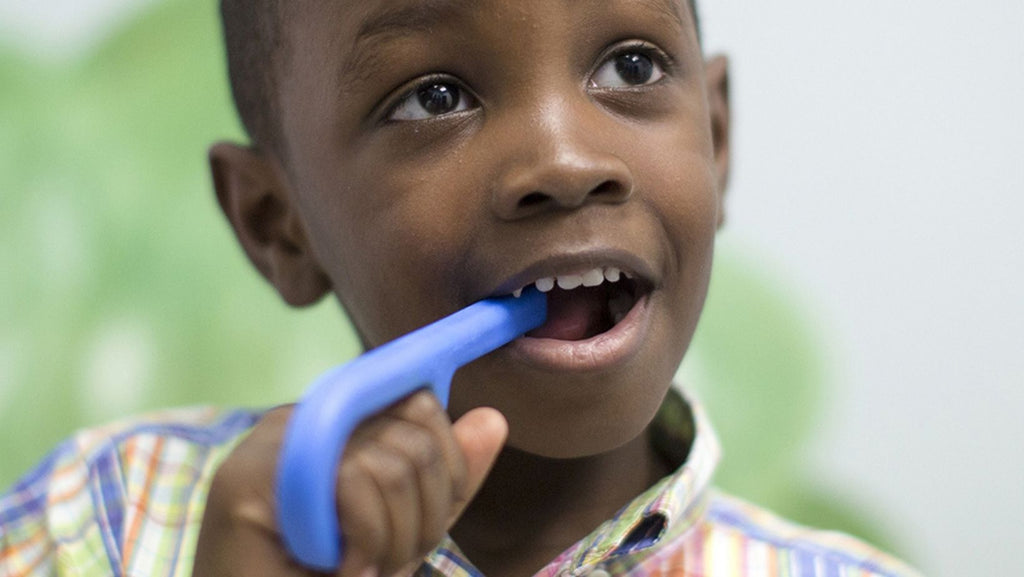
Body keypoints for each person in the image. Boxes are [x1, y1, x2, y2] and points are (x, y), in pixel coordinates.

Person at [0, 1, 922, 576]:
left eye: (630, 66)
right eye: (434, 96)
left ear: (715, 140)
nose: (565, 163)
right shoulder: (95, 517)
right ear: (277, 224)